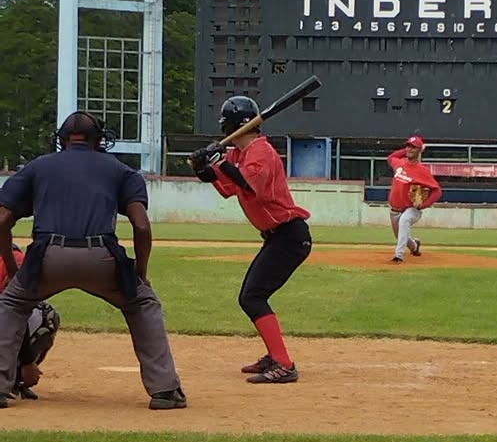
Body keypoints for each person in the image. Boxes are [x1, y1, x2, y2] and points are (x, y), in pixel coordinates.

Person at [0, 110, 186, 411]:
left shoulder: (38, 166)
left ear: (62, 141)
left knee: (11, 304)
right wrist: (139, 273)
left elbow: (2, 220)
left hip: (47, 255)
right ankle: (165, 390)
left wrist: (11, 266)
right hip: (101, 255)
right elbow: (141, 225)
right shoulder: (119, 169)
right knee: (143, 304)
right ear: (99, 140)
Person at [189, 96, 312, 384]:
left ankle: (283, 363)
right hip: (276, 237)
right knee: (252, 296)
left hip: (290, 236)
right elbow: (226, 187)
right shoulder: (239, 154)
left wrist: (219, 160)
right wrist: (203, 168)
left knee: (252, 297)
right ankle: (275, 356)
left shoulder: (261, 152)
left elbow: (248, 184)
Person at [0, 243, 60, 400]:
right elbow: (14, 314)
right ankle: (14, 378)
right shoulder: (15, 258)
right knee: (46, 314)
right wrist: (28, 362)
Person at [387, 135, 442, 263]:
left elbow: (437, 191)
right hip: (395, 209)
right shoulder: (399, 163)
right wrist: (405, 151)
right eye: (408, 146)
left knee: (404, 221)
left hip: (411, 208)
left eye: (413, 147)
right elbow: (391, 158)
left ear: (419, 151)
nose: (410, 149)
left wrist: (423, 205)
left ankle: (398, 256)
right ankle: (414, 246)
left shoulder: (422, 171)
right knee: (400, 235)